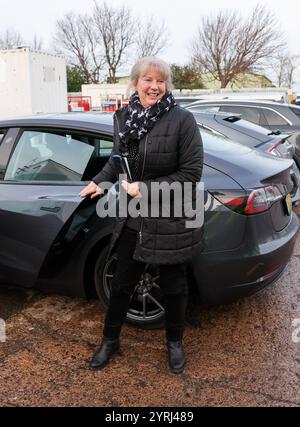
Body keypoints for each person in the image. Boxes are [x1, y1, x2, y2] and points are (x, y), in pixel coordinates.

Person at [80, 57, 204, 374]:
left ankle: (174, 343)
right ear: (136, 82)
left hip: (171, 215)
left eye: (160, 81)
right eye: (148, 79)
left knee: (174, 286)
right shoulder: (123, 117)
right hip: (133, 215)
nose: (154, 86)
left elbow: (191, 173)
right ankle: (110, 340)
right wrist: (100, 180)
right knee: (122, 283)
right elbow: (119, 159)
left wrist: (144, 189)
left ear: (167, 85)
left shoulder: (182, 120)